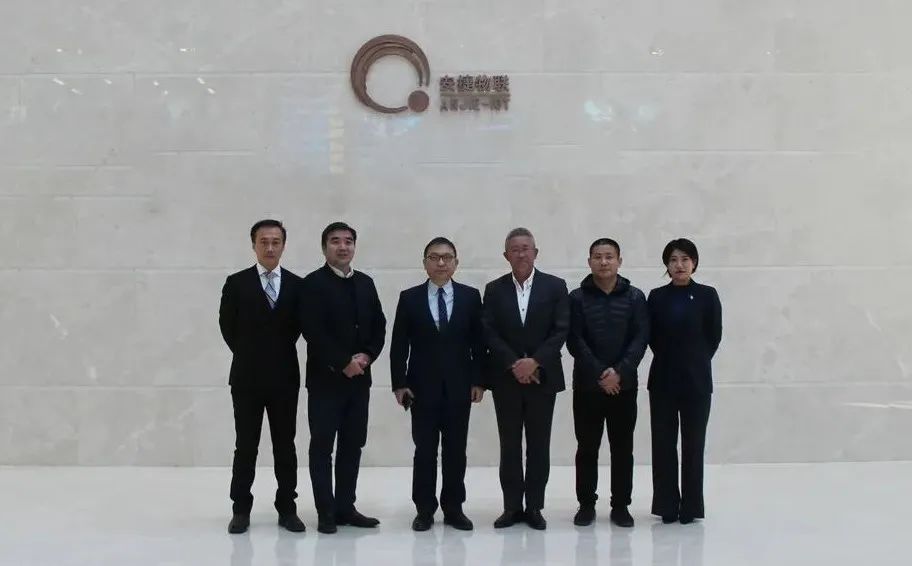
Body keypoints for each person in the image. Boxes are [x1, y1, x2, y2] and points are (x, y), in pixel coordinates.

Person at [389, 237, 487, 532]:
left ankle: (454, 508)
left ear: (456, 263)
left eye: (447, 257)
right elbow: (399, 345)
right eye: (434, 257)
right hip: (421, 389)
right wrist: (399, 384)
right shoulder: (410, 298)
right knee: (425, 451)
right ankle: (424, 509)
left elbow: (479, 344)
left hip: (460, 388)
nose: (441, 263)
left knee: (456, 451)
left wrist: (479, 380)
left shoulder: (471, 297)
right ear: (425, 263)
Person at [219, 219, 306, 534]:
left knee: (285, 445)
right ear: (254, 244)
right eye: (263, 241)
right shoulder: (236, 283)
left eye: (275, 242)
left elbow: (300, 327)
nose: (270, 247)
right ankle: (241, 509)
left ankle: (287, 508)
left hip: (285, 378)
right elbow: (228, 327)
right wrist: (251, 354)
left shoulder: (298, 285)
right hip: (246, 378)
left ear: (283, 245)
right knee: (246, 445)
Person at [300, 222, 387, 534]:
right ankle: (325, 511)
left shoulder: (366, 283)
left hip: (359, 381)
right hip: (325, 382)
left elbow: (379, 326)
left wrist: (367, 356)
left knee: (353, 445)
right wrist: (342, 362)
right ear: (324, 247)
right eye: (335, 241)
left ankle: (345, 507)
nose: (342, 247)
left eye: (348, 241)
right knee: (322, 447)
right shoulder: (312, 284)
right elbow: (313, 331)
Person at [482, 227, 569, 531]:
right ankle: (511, 507)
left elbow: (561, 329)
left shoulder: (555, 286)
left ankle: (534, 506)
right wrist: (514, 364)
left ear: (536, 252)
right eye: (515, 249)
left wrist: (534, 362)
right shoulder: (494, 290)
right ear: (506, 255)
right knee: (509, 445)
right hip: (506, 379)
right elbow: (489, 331)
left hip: (543, 378)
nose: (521, 254)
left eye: (526, 248)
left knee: (538, 445)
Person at [567, 238, 648, 528]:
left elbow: (641, 338)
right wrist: (601, 373)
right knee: (587, 447)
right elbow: (574, 340)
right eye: (598, 256)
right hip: (588, 386)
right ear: (589, 261)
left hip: (624, 387)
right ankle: (586, 504)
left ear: (619, 261)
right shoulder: (576, 298)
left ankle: (621, 505)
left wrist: (620, 372)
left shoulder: (635, 297)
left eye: (609, 256)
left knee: (622, 448)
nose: (603, 262)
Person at [647, 238, 722, 524]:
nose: (679, 265)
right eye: (673, 260)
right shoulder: (656, 297)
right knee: (663, 445)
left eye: (685, 259)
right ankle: (667, 505)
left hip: (696, 382)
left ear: (694, 263)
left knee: (693, 445)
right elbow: (652, 337)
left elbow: (713, 336)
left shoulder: (707, 295)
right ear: (666, 265)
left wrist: (695, 360)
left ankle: (691, 508)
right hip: (663, 380)